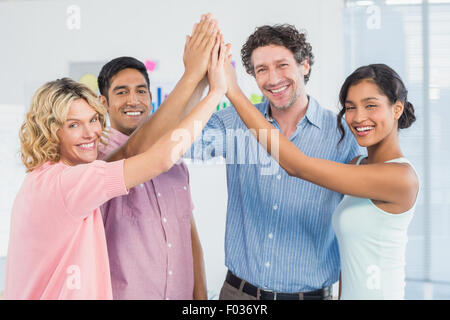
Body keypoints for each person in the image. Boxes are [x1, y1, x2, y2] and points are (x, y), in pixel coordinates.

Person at [3, 31, 229, 299]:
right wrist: (215, 91)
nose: (90, 134)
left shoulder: (54, 176)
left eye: (92, 121)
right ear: (51, 130)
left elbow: (149, 146)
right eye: (73, 125)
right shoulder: (73, 178)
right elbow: (153, 155)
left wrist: (200, 80)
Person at [183, 24, 363, 300]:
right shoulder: (232, 121)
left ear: (304, 65)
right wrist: (196, 77)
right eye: (261, 70)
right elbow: (180, 145)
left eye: (282, 65)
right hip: (238, 295)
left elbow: (357, 232)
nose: (273, 78)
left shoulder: (343, 135)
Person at [224, 61, 419, 299]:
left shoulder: (400, 178)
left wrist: (232, 91)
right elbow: (350, 259)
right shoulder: (357, 165)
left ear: (397, 109)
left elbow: (297, 166)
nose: (359, 117)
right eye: (350, 107)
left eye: (371, 106)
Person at [95, 15, 216, 300]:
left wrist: (199, 298)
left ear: (151, 97)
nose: (133, 100)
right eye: (121, 92)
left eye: (140, 91)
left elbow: (189, 234)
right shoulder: (99, 160)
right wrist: (194, 76)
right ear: (103, 103)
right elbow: (136, 153)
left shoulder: (175, 161)